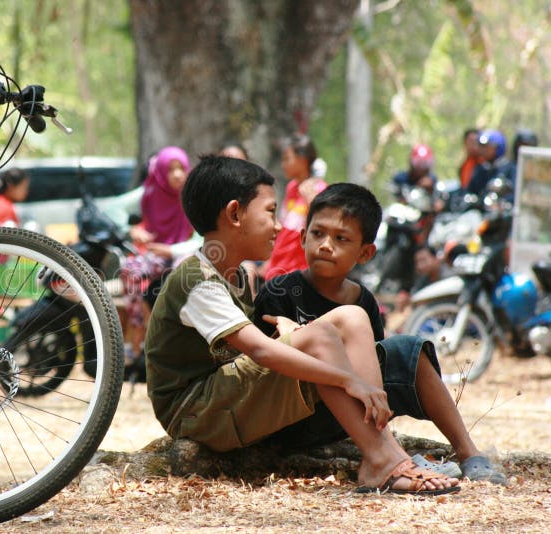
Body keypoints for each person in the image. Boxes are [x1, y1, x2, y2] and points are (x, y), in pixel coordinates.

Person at [145, 155, 461, 495]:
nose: (279, 225)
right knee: (320, 335)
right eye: (270, 211)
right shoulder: (198, 280)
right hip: (194, 413)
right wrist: (348, 379)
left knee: (351, 316)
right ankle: (383, 459)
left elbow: (247, 356)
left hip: (219, 402)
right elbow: (260, 351)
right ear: (235, 214)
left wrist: (292, 335)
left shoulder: (237, 274)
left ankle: (383, 454)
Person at [253, 182, 507, 485]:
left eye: (341, 238)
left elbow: (372, 367)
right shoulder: (279, 292)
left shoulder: (363, 301)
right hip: (297, 415)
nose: (325, 245)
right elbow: (263, 370)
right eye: (318, 233)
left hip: (351, 413)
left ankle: (469, 454)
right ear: (303, 237)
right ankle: (388, 458)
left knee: (409, 350)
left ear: (365, 253)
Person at [120, 146, 193, 362]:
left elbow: (199, 239)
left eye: (181, 168)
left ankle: (178, 336)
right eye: (171, 169)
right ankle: (139, 327)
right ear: (161, 172)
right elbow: (113, 209)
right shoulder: (150, 192)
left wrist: (171, 249)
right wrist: (133, 230)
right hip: (156, 254)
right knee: (129, 270)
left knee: (185, 272)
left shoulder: (192, 194)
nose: (178, 174)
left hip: (184, 252)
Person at [265, 134, 327, 280]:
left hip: (299, 269)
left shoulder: (319, 189)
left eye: (287, 158)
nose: (283, 164)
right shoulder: (292, 187)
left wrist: (311, 200)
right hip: (279, 263)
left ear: (303, 159)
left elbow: (322, 227)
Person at [466, 129, 510, 198]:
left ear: (497, 148)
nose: (482, 150)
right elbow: (469, 191)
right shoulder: (479, 169)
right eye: (481, 146)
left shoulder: (510, 169)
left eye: (486, 147)